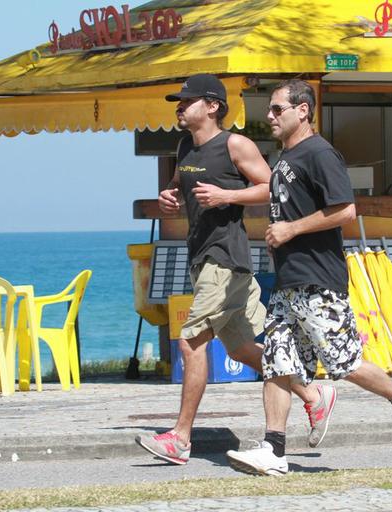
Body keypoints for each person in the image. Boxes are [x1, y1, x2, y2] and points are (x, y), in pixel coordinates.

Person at [225, 79, 392, 476]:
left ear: (302, 110)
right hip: (290, 280)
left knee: (343, 361)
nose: (269, 116)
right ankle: (273, 448)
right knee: (276, 361)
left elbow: (345, 211)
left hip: (319, 279)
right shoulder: (286, 156)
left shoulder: (320, 153)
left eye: (276, 109)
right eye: (268, 110)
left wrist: (290, 230)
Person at [135, 74, 336, 465]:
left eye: (186, 101)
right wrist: (170, 197)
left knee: (191, 342)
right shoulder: (185, 147)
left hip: (225, 258)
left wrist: (228, 195)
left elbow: (273, 187)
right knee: (243, 349)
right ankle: (314, 396)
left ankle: (180, 438)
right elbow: (180, 185)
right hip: (204, 258)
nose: (179, 107)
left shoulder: (234, 144)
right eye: (178, 102)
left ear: (212, 106)